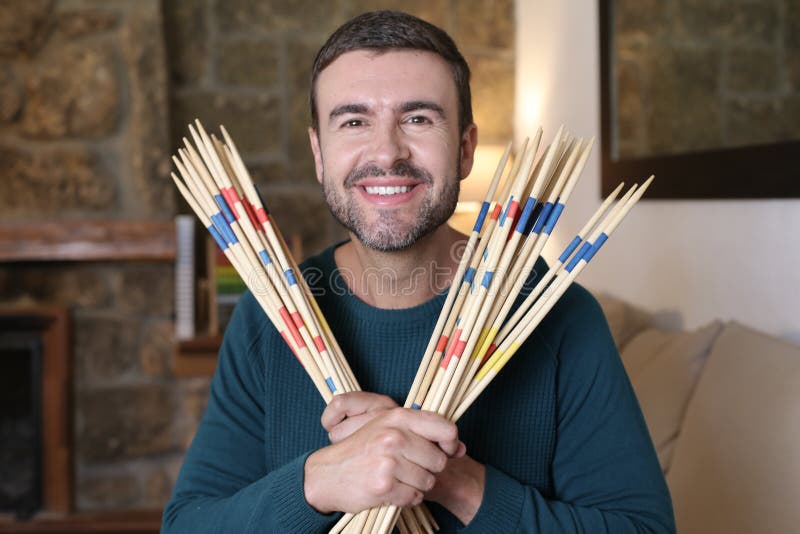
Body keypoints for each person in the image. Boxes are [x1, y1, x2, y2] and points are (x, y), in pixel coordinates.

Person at [162, 10, 675, 533]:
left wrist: (451, 478)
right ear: (319, 153)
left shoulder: (555, 313)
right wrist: (317, 482)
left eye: (418, 118)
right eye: (354, 121)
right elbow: (187, 526)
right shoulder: (269, 315)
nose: (387, 151)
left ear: (466, 148)